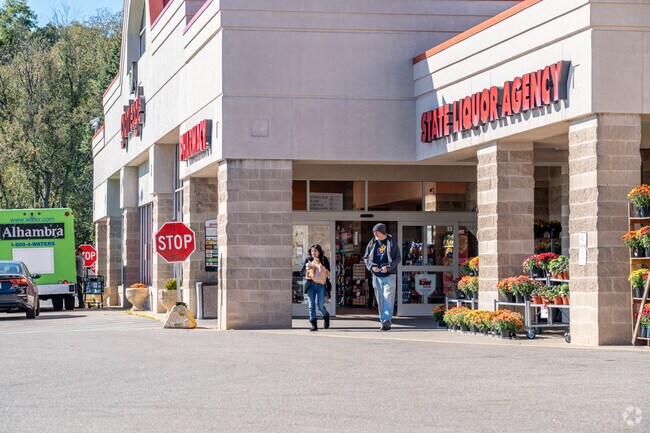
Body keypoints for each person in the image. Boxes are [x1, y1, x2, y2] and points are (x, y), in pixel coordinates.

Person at [364, 223, 400, 331]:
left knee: (388, 297)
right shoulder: (373, 242)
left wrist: (388, 267)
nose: (374, 233)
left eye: (376, 232)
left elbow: (398, 258)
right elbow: (366, 257)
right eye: (374, 232)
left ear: (382, 232)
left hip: (389, 275)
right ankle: (383, 320)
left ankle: (387, 320)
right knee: (380, 299)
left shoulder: (391, 242)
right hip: (376, 276)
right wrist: (371, 267)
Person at [300, 244, 331, 331]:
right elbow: (301, 272)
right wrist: (306, 270)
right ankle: (314, 325)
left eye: (315, 251)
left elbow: (329, 271)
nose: (314, 253)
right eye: (312, 251)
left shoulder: (324, 260)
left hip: (321, 284)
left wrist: (321, 267)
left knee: (320, 305)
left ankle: (326, 316)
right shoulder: (308, 260)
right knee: (311, 305)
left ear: (319, 252)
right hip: (310, 285)